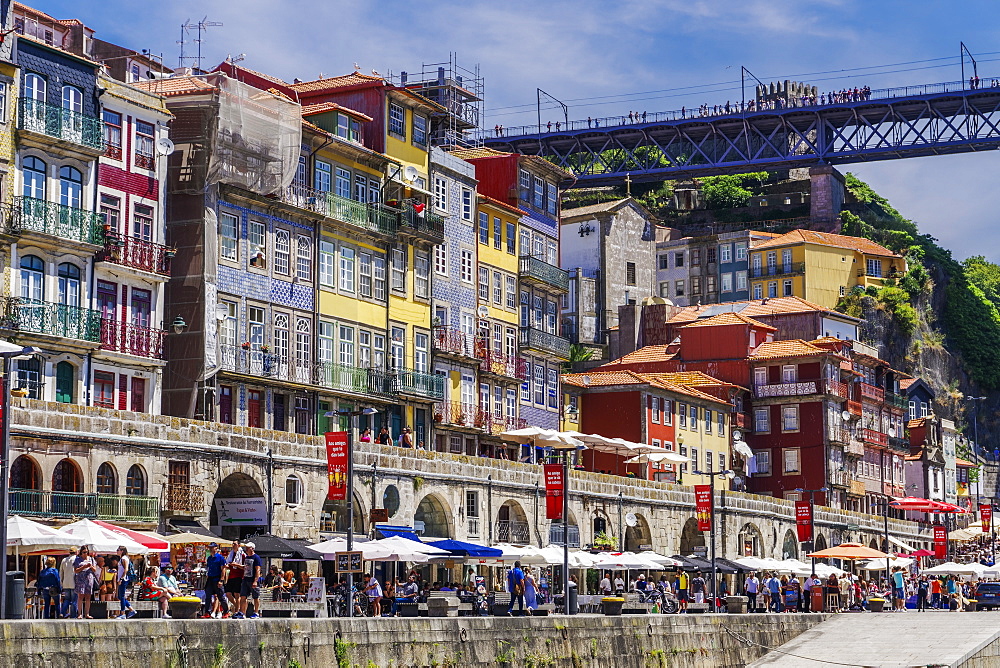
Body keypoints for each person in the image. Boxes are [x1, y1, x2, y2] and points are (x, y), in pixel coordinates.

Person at [238, 542, 263, 619]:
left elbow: (258, 569)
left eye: (248, 547)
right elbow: (246, 567)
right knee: (243, 596)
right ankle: (243, 613)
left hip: (252, 580)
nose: (246, 549)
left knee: (255, 597)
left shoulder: (256, 557)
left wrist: (255, 581)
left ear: (252, 548)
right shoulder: (247, 557)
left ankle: (256, 612)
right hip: (245, 579)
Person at [203, 542, 228, 618]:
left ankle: (226, 611)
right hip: (210, 578)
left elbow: (223, 569)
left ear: (216, 548)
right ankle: (207, 612)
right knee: (208, 595)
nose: (210, 549)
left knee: (220, 596)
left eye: (212, 547)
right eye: (209, 547)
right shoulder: (209, 558)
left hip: (217, 578)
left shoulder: (220, 558)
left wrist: (221, 580)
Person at [73, 545, 98, 619]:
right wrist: (84, 567)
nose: (85, 554)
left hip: (89, 578)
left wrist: (90, 566)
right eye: (84, 552)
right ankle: (79, 613)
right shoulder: (77, 559)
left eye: (87, 552)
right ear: (81, 553)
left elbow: (94, 570)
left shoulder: (91, 559)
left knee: (88, 596)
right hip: (80, 578)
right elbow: (75, 570)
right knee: (80, 596)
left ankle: (87, 613)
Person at [114, 546, 137, 620]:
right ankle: (131, 610)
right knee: (121, 597)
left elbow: (126, 569)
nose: (117, 551)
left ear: (122, 551)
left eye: (118, 550)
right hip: (122, 579)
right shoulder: (122, 559)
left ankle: (123, 613)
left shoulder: (124, 558)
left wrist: (121, 578)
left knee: (122, 596)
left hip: (124, 579)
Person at [224, 541, 245, 613]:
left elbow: (245, 567)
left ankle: (236, 611)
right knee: (228, 593)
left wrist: (236, 565)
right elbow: (228, 563)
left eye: (235, 544)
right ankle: (237, 606)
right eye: (232, 544)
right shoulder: (231, 554)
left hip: (239, 576)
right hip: (231, 576)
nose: (233, 545)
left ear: (238, 545)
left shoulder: (242, 555)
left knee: (237, 594)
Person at [59, 547, 78, 619]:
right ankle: (73, 616)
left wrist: (61, 582)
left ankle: (62, 613)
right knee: (74, 600)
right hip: (74, 582)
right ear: (76, 552)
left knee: (67, 599)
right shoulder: (77, 559)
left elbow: (61, 572)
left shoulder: (64, 560)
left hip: (66, 583)